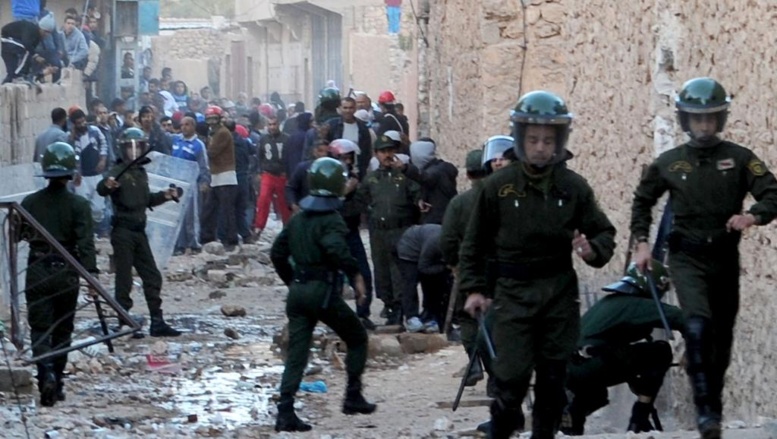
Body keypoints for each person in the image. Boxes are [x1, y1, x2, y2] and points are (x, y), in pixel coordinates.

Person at [459, 90, 616, 439]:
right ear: (520, 139)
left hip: (558, 292)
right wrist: (474, 288)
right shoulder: (498, 187)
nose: (541, 147)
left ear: (559, 141)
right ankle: (502, 427)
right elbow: (474, 242)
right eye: (533, 139)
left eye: (548, 140)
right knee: (510, 377)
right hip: (513, 293)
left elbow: (603, 232)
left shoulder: (573, 187)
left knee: (552, 380)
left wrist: (592, 250)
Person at [629, 77, 777, 439]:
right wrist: (643, 244)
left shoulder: (740, 159)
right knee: (697, 327)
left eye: (711, 119)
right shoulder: (669, 163)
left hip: (724, 257)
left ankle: (715, 408)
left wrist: (752, 216)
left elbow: (772, 193)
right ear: (685, 120)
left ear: (721, 119)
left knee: (721, 339)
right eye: (698, 120)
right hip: (686, 257)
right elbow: (643, 202)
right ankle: (705, 411)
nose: (705, 127)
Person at [270, 157, 376, 432]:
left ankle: (285, 411)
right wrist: (355, 276)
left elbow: (277, 253)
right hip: (322, 292)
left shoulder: (298, 219)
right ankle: (353, 395)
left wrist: (291, 281)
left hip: (298, 292)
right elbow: (337, 250)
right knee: (357, 337)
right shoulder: (331, 220)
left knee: (297, 353)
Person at [562, 260, 684, 435]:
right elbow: (681, 317)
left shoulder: (610, 303)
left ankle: (572, 416)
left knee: (596, 395)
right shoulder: (633, 303)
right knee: (660, 351)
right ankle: (639, 417)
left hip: (571, 367)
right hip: (592, 363)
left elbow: (618, 351)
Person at [21, 142, 98, 406]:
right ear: (69, 173)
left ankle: (46, 375)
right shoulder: (79, 205)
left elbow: (19, 234)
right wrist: (91, 276)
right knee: (63, 329)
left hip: (37, 269)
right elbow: (86, 243)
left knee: (40, 327)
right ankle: (58, 381)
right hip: (67, 271)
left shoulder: (30, 202)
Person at [97, 128, 182, 338]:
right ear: (122, 149)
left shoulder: (141, 172)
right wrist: (108, 185)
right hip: (123, 231)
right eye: (129, 147)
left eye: (138, 147)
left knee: (152, 275)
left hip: (139, 231)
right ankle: (124, 319)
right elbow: (103, 187)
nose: (134, 151)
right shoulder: (117, 170)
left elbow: (147, 201)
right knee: (124, 278)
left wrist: (166, 195)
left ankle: (157, 320)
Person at [355, 134, 421, 325]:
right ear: (376, 154)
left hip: (401, 230)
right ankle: (389, 305)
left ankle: (403, 310)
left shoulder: (404, 176)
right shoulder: (371, 179)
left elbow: (418, 194)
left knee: (400, 272)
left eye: (390, 150)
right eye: (383, 151)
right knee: (382, 271)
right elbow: (361, 200)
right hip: (379, 232)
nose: (387, 155)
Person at [329, 139, 375, 330]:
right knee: (334, 276)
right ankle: (335, 315)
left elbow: (360, 204)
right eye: (343, 158)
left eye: (350, 157)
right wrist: (344, 192)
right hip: (334, 234)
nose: (347, 161)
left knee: (363, 273)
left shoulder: (356, 178)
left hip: (351, 232)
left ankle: (362, 313)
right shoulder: (328, 179)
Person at [396, 224, 450, 333]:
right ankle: (411, 317)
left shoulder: (451, 244)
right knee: (410, 283)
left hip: (427, 252)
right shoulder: (434, 243)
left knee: (434, 282)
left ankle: (429, 315)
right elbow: (423, 267)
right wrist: (446, 267)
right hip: (409, 249)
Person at [201, 105, 239, 251]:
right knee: (210, 208)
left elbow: (211, 152)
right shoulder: (215, 133)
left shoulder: (222, 133)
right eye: (209, 119)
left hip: (225, 176)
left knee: (226, 210)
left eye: (213, 119)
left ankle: (231, 239)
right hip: (217, 175)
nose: (211, 123)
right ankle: (208, 237)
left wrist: (206, 143)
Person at [172, 116, 210, 255]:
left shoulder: (198, 145)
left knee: (191, 215)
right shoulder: (175, 140)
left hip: (191, 183)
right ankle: (179, 244)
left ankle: (193, 243)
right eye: (182, 125)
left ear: (193, 126)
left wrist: (204, 182)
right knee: (177, 214)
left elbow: (203, 166)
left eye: (187, 125)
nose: (184, 127)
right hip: (175, 181)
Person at [404, 138, 458, 224]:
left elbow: (425, 177)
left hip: (438, 221)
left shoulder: (436, 171)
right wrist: (420, 200)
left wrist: (405, 168)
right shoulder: (440, 168)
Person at [253, 116, 291, 237]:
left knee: (284, 202)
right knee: (263, 199)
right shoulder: (263, 139)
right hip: (268, 174)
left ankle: (288, 226)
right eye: (270, 124)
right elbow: (259, 156)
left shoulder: (286, 139)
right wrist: (259, 171)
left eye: (274, 124)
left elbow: (290, 157)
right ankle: (259, 227)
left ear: (278, 125)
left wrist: (289, 173)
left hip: (282, 175)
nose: (272, 127)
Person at [1, 14, 55, 83]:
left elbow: (31, 54)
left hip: (10, 47)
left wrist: (45, 65)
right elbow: (26, 44)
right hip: (6, 39)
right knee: (26, 50)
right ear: (40, 28)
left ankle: (12, 80)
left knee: (11, 74)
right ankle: (20, 75)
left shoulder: (38, 38)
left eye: (49, 33)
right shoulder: (31, 29)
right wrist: (36, 56)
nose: (46, 35)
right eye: (45, 31)